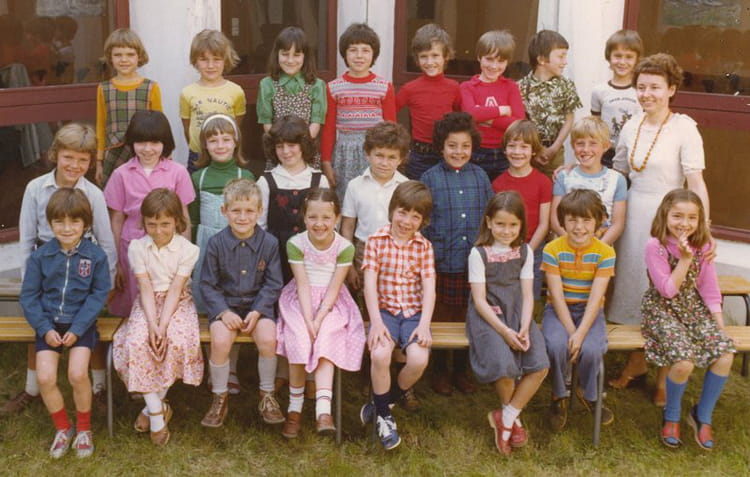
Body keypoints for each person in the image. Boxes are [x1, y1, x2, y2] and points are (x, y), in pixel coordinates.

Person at [608, 53, 712, 406]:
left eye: (655, 87)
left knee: (669, 294)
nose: (646, 94)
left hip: (672, 220)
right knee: (637, 289)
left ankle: (665, 376)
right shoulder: (631, 125)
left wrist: (703, 229)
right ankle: (637, 361)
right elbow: (618, 173)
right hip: (635, 218)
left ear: (671, 89)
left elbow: (695, 182)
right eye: (641, 87)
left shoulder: (684, 128)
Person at [2, 123, 116, 417]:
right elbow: (27, 239)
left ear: (90, 162)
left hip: (83, 267)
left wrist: (108, 282)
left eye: (82, 160)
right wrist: (29, 282)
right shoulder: (36, 189)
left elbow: (106, 242)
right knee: (40, 326)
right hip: (45, 267)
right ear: (56, 154)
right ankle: (33, 388)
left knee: (88, 326)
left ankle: (99, 387)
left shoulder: (93, 194)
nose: (74, 166)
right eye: (68, 157)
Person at [20, 189, 110, 458]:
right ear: (50, 223)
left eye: (74, 221)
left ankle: (84, 429)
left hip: (80, 325)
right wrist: (44, 329)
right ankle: (63, 428)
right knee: (46, 377)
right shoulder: (40, 256)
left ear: (86, 224)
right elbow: (29, 296)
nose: (67, 228)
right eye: (59, 222)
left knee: (77, 374)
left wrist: (77, 329)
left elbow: (98, 295)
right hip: (48, 325)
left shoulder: (96, 257)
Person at [642, 189, 735, 450]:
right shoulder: (656, 246)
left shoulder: (703, 245)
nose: (684, 223)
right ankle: (671, 415)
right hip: (662, 310)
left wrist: (720, 326)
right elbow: (667, 291)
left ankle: (701, 415)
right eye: (677, 216)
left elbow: (709, 288)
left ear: (700, 220)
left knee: (725, 354)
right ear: (665, 215)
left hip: (693, 309)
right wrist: (684, 260)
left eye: (692, 217)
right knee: (683, 363)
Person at [112, 189, 203, 446]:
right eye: (151, 224)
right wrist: (152, 324)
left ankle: (151, 407)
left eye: (165, 224)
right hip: (148, 302)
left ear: (176, 221)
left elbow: (175, 289)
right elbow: (145, 288)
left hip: (177, 303)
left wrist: (163, 326)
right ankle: (156, 412)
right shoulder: (138, 247)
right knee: (136, 342)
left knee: (176, 341)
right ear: (143, 222)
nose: (159, 230)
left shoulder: (188, 249)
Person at [277, 188, 365, 438]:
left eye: (326, 217)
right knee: (299, 337)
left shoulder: (344, 247)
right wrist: (309, 319)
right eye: (313, 217)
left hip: (332, 303)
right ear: (304, 217)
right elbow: (302, 284)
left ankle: (323, 411)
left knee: (327, 337)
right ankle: (294, 409)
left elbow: (335, 287)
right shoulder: (296, 243)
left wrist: (320, 318)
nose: (319, 224)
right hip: (300, 301)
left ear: (337, 218)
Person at [467, 191, 549, 456]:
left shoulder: (525, 251)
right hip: (489, 317)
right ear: (489, 222)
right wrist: (504, 331)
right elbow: (479, 300)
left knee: (539, 364)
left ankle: (507, 416)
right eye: (500, 224)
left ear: (521, 224)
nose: (506, 230)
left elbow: (528, 294)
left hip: (518, 312)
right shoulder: (479, 254)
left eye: (513, 225)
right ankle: (512, 422)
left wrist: (525, 326)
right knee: (504, 365)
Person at [199, 178, 284, 429]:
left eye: (249, 211)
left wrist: (258, 311)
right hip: (226, 307)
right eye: (236, 210)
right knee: (220, 341)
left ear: (259, 211)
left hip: (259, 308)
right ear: (224, 211)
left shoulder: (269, 243)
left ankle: (267, 394)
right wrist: (223, 312)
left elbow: (273, 283)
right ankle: (220, 396)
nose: (243, 217)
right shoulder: (216, 243)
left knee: (268, 339)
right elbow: (208, 284)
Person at [420, 112, 493, 396]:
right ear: (441, 146)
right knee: (441, 316)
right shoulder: (429, 178)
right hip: (441, 261)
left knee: (468, 315)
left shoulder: (480, 177)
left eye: (465, 146)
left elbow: (490, 217)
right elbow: (422, 223)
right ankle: (439, 369)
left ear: (473, 147)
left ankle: (461, 369)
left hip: (472, 264)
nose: (458, 152)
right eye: (452, 146)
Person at [359, 181, 435, 451]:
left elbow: (429, 288)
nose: (407, 221)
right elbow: (369, 284)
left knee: (418, 359)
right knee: (380, 354)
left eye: (415, 217)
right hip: (385, 312)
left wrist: (424, 325)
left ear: (423, 221)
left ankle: (383, 403)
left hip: (414, 314)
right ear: (392, 210)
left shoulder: (424, 247)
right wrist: (376, 322)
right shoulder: (376, 241)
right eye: (403, 213)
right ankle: (386, 419)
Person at [104, 110, 194, 319]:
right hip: (131, 247)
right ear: (132, 142)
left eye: (154, 142)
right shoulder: (121, 174)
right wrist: (116, 262)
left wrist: (184, 256)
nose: (147, 149)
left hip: (168, 249)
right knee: (134, 304)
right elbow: (117, 219)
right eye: (141, 142)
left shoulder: (178, 172)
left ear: (165, 143)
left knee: (166, 303)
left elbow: (184, 218)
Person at [189, 114, 254, 394]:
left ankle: (232, 368)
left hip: (236, 247)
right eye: (213, 140)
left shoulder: (245, 176)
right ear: (204, 144)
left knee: (234, 301)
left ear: (235, 141)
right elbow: (192, 219)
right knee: (208, 303)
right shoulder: (198, 177)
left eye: (226, 139)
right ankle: (213, 362)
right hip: (206, 245)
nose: (220, 145)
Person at [541, 189, 615, 432]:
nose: (579, 227)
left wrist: (580, 333)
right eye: (572, 220)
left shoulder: (605, 252)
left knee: (592, 349)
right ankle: (558, 395)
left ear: (599, 222)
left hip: (589, 312)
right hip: (559, 310)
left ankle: (587, 393)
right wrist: (571, 331)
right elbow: (556, 296)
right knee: (555, 345)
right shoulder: (552, 249)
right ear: (562, 221)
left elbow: (596, 297)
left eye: (586, 220)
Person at [320, 23, 396, 199]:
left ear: (374, 54)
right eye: (353, 50)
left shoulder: (384, 87)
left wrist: (391, 158)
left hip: (376, 152)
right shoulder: (334, 88)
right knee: (346, 197)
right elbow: (329, 129)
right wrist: (326, 162)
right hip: (345, 153)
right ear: (344, 54)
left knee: (373, 196)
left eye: (365, 50)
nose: (359, 56)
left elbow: (392, 129)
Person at [340, 121, 410, 300]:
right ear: (367, 154)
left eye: (392, 157)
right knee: (364, 298)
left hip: (397, 250)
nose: (384, 163)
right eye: (379, 155)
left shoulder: (406, 186)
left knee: (393, 299)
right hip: (363, 250)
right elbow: (347, 227)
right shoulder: (355, 186)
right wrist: (349, 266)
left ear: (401, 159)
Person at [258, 115, 329, 283]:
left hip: (312, 255)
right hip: (277, 257)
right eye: (279, 146)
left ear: (303, 145)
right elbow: (260, 225)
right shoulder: (265, 181)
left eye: (291, 145)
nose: (286, 151)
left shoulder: (319, 180)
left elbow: (329, 221)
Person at [492, 119, 551, 301]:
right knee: (504, 298)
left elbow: (544, 224)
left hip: (533, 249)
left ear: (533, 150)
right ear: (505, 149)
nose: (517, 152)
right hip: (504, 248)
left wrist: (528, 252)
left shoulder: (543, 182)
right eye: (512, 146)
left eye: (524, 147)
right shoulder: (498, 184)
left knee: (528, 299)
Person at [95, 28, 162, 186]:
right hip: (113, 153)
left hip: (143, 152)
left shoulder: (151, 87)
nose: (124, 60)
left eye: (130, 54)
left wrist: (165, 154)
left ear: (139, 57)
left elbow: (160, 126)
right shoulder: (103, 89)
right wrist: (99, 161)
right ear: (110, 57)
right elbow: (101, 126)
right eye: (118, 55)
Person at [256, 26, 326, 170]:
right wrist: (283, 148)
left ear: (305, 56)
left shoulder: (316, 85)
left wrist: (299, 148)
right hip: (279, 152)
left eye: (296, 55)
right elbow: (267, 123)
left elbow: (316, 123)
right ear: (277, 54)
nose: (290, 60)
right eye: (285, 54)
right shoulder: (267, 85)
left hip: (306, 151)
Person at [396, 23, 460, 180]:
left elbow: (460, 118)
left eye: (435, 55)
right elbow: (390, 113)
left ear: (446, 56)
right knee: (418, 194)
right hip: (419, 156)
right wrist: (400, 144)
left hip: (447, 154)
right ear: (417, 59)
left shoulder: (454, 87)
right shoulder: (410, 89)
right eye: (424, 56)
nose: (429, 62)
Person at [550, 116, 627, 245]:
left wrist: (596, 248)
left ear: (606, 146)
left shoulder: (617, 180)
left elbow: (618, 224)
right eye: (580, 143)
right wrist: (574, 244)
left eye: (593, 143)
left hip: (601, 249)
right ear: (573, 145)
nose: (586, 149)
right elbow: (555, 220)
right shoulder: (564, 177)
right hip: (567, 247)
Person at [460, 30, 525, 181]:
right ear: (479, 57)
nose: (494, 66)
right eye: (489, 59)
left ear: (508, 62)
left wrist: (487, 119)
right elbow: (470, 114)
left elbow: (518, 123)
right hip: (476, 153)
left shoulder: (511, 87)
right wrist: (502, 110)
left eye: (501, 61)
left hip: (505, 153)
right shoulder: (467, 87)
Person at [518, 30, 582, 178]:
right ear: (541, 59)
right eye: (560, 56)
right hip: (527, 151)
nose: (565, 61)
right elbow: (521, 120)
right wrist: (538, 149)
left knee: (555, 183)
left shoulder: (566, 85)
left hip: (555, 151)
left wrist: (554, 148)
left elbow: (569, 119)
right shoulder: (521, 87)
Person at [180, 29, 245, 173]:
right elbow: (187, 128)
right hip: (197, 154)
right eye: (204, 59)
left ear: (225, 60)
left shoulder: (236, 91)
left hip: (225, 154)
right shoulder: (187, 92)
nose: (210, 65)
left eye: (216, 59)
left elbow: (236, 126)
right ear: (195, 61)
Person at [590, 29, 643, 168]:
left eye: (629, 57)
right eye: (617, 56)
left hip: (635, 154)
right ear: (609, 57)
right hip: (607, 155)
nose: (622, 62)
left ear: (637, 59)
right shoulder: (599, 91)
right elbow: (596, 126)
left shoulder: (642, 91)